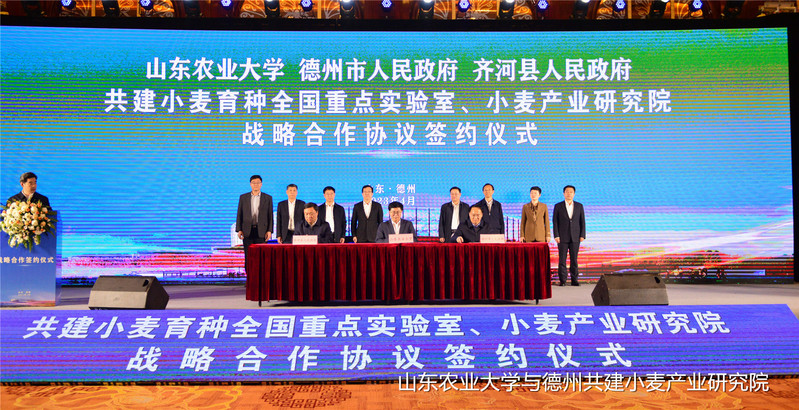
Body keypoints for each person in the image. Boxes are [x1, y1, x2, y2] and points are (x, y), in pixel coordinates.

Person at [235, 175, 273, 271]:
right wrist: (239, 229)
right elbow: (239, 214)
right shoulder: (243, 197)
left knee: (262, 256)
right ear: (250, 184)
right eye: (254, 183)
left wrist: (269, 230)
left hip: (262, 231)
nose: (256, 185)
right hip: (247, 231)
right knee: (248, 256)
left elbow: (270, 215)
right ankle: (249, 277)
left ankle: (262, 277)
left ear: (261, 184)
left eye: (258, 183)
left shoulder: (268, 198)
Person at [553, 185, 586, 286]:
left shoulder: (579, 206)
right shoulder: (558, 206)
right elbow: (555, 222)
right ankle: (562, 280)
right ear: (564, 193)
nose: (569, 194)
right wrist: (556, 235)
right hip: (562, 237)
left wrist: (582, 235)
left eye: (571, 192)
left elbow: (582, 221)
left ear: (574, 194)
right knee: (562, 260)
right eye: (567, 192)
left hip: (576, 237)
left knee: (574, 260)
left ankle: (574, 280)